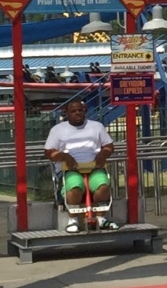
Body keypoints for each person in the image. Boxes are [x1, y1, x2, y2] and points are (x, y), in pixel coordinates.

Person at [44, 97, 115, 232]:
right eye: (73, 111)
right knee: (75, 186)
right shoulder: (58, 130)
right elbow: (49, 152)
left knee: (103, 186)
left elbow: (109, 146)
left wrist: (102, 154)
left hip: (94, 166)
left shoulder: (96, 127)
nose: (77, 113)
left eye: (80, 110)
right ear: (67, 114)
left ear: (84, 111)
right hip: (71, 168)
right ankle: (73, 220)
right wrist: (64, 156)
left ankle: (101, 218)